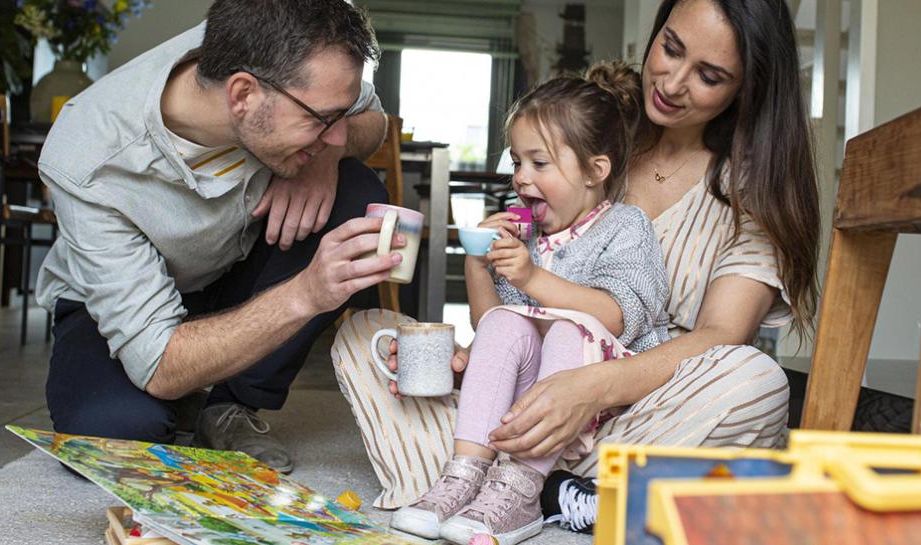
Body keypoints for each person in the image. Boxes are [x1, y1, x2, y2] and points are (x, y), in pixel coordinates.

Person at [331, 0, 819, 535]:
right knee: (366, 337)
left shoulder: (752, 188)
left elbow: (722, 335)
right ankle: (540, 488)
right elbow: (512, 315)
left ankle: (530, 484)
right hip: (523, 401)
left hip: (645, 408)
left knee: (756, 381)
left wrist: (591, 387)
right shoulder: (588, 129)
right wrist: (469, 361)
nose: (674, 83)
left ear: (745, 88)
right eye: (671, 48)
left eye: (708, 75)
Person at [38, 0, 402, 474]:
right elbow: (161, 364)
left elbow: (373, 123)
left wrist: (321, 158)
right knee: (115, 435)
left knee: (358, 191)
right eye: (322, 121)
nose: (335, 134)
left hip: (234, 265)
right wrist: (306, 295)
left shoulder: (276, 46)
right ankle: (189, 391)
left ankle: (228, 405)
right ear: (243, 96)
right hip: (116, 304)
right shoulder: (86, 159)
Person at [389, 63, 669, 545]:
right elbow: (492, 325)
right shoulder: (532, 240)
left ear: (593, 171)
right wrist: (481, 263)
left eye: (540, 164)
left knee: (566, 328)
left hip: (602, 395)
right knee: (504, 323)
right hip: (529, 399)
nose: (521, 178)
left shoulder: (627, 226)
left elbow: (615, 315)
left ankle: (521, 489)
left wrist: (532, 276)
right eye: (517, 162)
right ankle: (465, 473)